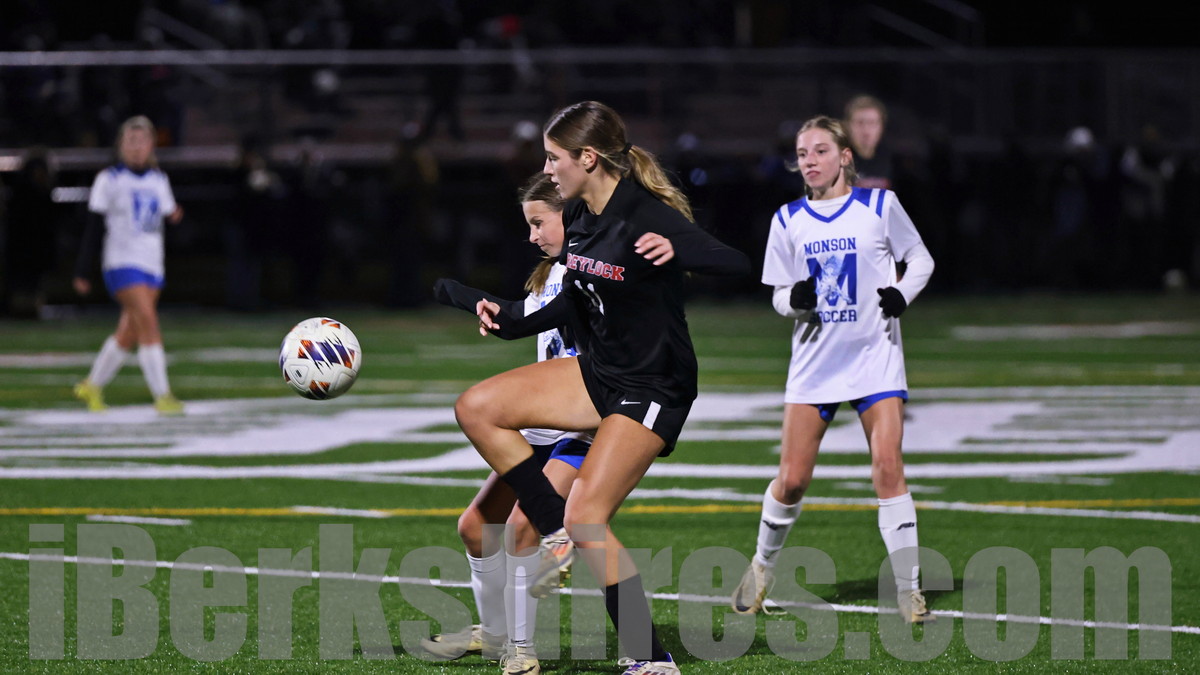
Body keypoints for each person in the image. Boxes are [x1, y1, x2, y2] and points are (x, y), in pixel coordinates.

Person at [456, 100, 750, 674]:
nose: (548, 168)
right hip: (600, 371)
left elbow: (734, 261)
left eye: (554, 157)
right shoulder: (582, 216)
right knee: (477, 407)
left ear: (587, 158)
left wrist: (679, 248)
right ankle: (553, 525)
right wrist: (511, 320)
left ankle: (652, 659)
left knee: (589, 515)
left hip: (655, 383)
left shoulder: (642, 212)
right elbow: (575, 298)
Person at [731, 115, 936, 624]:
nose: (810, 161)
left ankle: (910, 591)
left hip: (875, 358)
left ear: (845, 156)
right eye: (802, 153)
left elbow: (921, 259)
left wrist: (901, 293)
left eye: (820, 151)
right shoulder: (788, 219)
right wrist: (794, 302)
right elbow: (780, 293)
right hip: (815, 364)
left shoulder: (880, 206)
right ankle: (760, 569)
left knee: (888, 467)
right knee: (792, 481)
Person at [425, 173, 593, 675]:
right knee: (475, 527)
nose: (532, 235)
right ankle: (495, 632)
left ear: (571, 216)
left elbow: (530, 321)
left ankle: (521, 649)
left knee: (523, 527)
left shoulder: (592, 271)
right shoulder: (550, 273)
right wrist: (460, 294)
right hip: (542, 424)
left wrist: (470, 300)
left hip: (582, 426)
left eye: (540, 223)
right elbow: (519, 315)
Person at [72, 115, 184, 415]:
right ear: (121, 145)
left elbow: (166, 214)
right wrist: (83, 269)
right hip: (121, 262)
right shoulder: (109, 179)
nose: (136, 147)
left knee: (129, 332)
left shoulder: (159, 179)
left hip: (152, 264)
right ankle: (163, 396)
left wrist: (176, 216)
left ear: (151, 145)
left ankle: (91, 385)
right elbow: (93, 226)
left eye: (142, 141)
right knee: (148, 322)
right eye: (130, 141)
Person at [844, 94, 893, 190]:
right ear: (848, 126)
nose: (866, 131)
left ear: (881, 127)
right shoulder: (836, 162)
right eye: (860, 123)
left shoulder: (891, 161)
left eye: (872, 123)